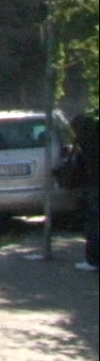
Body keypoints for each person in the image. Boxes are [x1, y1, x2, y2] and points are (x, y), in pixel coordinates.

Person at [70, 109, 99, 272]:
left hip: (93, 184)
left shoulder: (86, 143)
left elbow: (81, 165)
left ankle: (93, 259)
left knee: (92, 222)